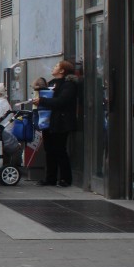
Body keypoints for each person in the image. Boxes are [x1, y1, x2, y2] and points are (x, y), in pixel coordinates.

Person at [32, 59, 79, 187]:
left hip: (61, 121)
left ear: (62, 71)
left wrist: (42, 101)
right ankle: (50, 178)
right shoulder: (52, 83)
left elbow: (61, 101)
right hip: (49, 121)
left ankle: (65, 178)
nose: (54, 68)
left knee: (59, 149)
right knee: (49, 150)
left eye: (57, 66)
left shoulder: (68, 85)